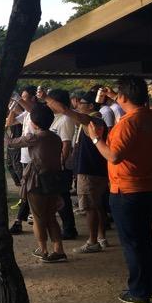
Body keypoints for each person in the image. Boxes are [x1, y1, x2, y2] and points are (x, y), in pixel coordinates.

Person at [88, 78, 152, 303]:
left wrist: (95, 138)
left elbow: (114, 156)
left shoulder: (127, 123)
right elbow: (134, 104)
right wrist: (116, 96)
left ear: (123, 97)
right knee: (145, 240)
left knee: (133, 243)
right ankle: (151, 287)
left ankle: (139, 292)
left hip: (128, 190)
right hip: (150, 187)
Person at [46, 91, 110, 253]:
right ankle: (101, 238)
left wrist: (46, 97)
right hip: (97, 169)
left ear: (90, 106)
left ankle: (92, 241)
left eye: (81, 103)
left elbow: (65, 110)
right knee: (97, 205)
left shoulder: (92, 120)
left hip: (89, 170)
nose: (78, 105)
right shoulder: (95, 120)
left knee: (89, 207)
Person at [7, 103, 68, 263]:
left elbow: (11, 142)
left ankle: (43, 249)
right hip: (53, 180)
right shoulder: (55, 137)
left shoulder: (34, 137)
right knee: (51, 216)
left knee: (38, 217)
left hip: (37, 181)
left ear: (33, 123)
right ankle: (59, 249)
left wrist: (5, 128)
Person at [46, 89, 79, 240]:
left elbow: (66, 144)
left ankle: (69, 229)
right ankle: (67, 227)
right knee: (59, 197)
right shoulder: (55, 117)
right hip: (54, 163)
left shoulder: (66, 119)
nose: (48, 104)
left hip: (61, 166)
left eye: (50, 102)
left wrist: (60, 164)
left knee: (63, 198)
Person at [6, 85, 38, 234]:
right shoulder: (26, 113)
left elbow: (32, 110)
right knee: (28, 190)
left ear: (33, 98)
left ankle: (19, 221)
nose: (21, 100)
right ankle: (26, 217)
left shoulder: (36, 112)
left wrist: (17, 99)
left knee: (29, 190)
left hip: (34, 157)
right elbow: (9, 123)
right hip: (25, 157)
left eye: (24, 98)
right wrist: (13, 108)